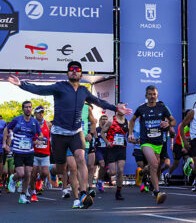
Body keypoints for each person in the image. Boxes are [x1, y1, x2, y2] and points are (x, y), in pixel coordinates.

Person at [8, 61, 131, 209]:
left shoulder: (84, 91)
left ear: (81, 74)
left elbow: (98, 102)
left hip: (76, 133)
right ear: (68, 73)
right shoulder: (60, 87)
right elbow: (40, 89)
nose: (74, 72)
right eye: (71, 70)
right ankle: (53, 170)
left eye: (77, 70)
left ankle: (83, 194)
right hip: (59, 134)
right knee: (61, 168)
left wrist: (115, 107)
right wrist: (22, 84)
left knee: (80, 159)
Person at [128, 85, 176, 204]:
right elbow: (132, 120)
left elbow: (173, 121)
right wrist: (130, 134)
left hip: (159, 143)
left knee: (155, 166)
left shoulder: (162, 108)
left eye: (154, 94)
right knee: (154, 164)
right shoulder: (141, 109)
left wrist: (168, 124)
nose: (152, 96)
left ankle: (142, 172)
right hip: (146, 142)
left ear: (157, 95)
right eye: (149, 94)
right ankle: (157, 192)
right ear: (146, 96)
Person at [4, 101, 44, 204]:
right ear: (23, 109)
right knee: (21, 173)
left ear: (31, 109)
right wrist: (5, 143)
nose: (28, 109)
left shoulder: (34, 122)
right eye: (26, 107)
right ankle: (13, 178)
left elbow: (40, 134)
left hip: (29, 151)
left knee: (28, 174)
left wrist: (39, 137)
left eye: (30, 107)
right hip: (18, 150)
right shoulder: (17, 120)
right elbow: (6, 129)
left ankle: (22, 196)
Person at [101, 106, 128, 200]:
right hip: (112, 149)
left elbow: (127, 135)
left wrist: (132, 139)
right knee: (112, 172)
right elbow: (102, 132)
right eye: (120, 108)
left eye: (123, 108)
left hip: (122, 148)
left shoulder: (127, 122)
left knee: (120, 170)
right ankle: (106, 174)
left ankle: (118, 192)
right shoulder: (111, 122)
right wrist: (107, 142)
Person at [30, 106, 52, 202]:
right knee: (33, 173)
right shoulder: (31, 124)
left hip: (45, 153)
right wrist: (34, 142)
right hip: (34, 153)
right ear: (35, 114)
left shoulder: (48, 124)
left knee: (45, 173)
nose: (41, 114)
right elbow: (28, 137)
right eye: (39, 112)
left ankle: (40, 180)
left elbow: (52, 137)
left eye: (42, 112)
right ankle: (33, 192)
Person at [95, 115, 108, 193]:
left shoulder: (109, 129)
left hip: (107, 150)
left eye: (106, 119)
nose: (105, 120)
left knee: (104, 168)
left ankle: (100, 181)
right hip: (99, 150)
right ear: (100, 120)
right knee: (102, 164)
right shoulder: (97, 129)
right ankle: (99, 181)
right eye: (103, 119)